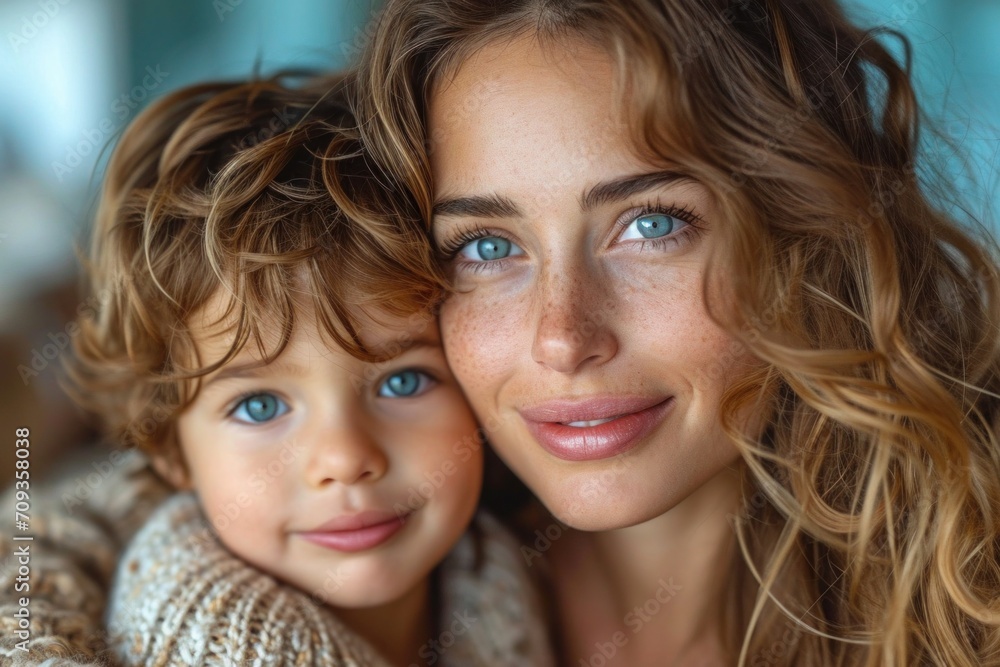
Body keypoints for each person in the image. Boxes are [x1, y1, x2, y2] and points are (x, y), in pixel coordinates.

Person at [351, 0, 1000, 664]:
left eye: (652, 225)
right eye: (486, 247)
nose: (564, 339)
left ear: (804, 235)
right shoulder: (328, 607)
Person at [61, 75, 553, 666]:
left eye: (403, 381)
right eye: (259, 406)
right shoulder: (193, 642)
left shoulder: (503, 578)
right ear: (172, 452)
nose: (344, 459)